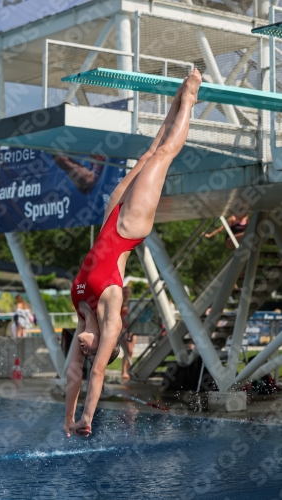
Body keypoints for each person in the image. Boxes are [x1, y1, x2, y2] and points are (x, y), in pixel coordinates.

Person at [64, 69, 202, 438]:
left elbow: (73, 374)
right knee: (164, 155)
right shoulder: (109, 321)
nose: (81, 346)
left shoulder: (81, 315)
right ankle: (190, 98)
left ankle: (175, 102)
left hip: (111, 219)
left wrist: (67, 420)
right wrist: (87, 418)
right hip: (127, 230)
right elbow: (93, 375)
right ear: (102, 348)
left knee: (145, 156)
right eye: (90, 350)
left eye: (83, 349)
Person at [121, 286, 136, 380]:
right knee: (128, 350)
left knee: (131, 351)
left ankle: (128, 369)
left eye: (127, 292)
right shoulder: (120, 303)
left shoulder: (132, 303)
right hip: (123, 329)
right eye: (124, 292)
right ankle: (124, 371)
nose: (126, 294)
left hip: (132, 328)